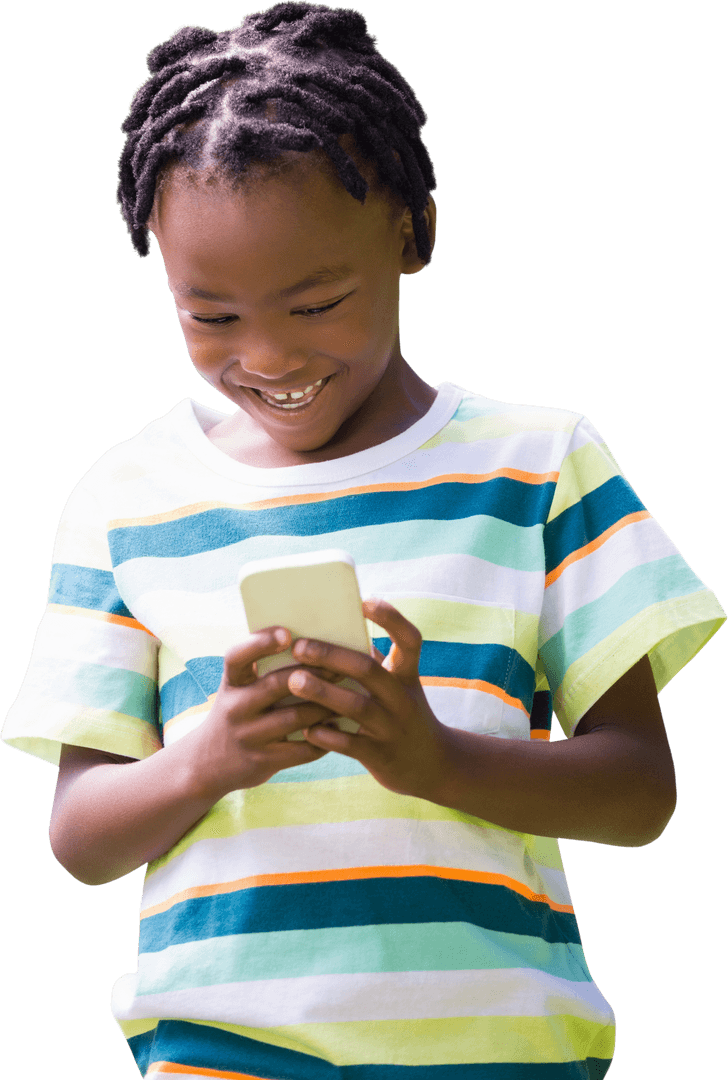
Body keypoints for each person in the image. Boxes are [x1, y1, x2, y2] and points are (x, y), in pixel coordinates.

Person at [2, 3, 725, 1077]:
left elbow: (638, 795)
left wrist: (431, 757)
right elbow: (82, 838)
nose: (266, 354)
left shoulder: (536, 467)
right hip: (224, 1051)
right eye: (210, 315)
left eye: (316, 301)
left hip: (501, 1054)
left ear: (413, 232)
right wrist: (210, 756)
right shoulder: (126, 497)